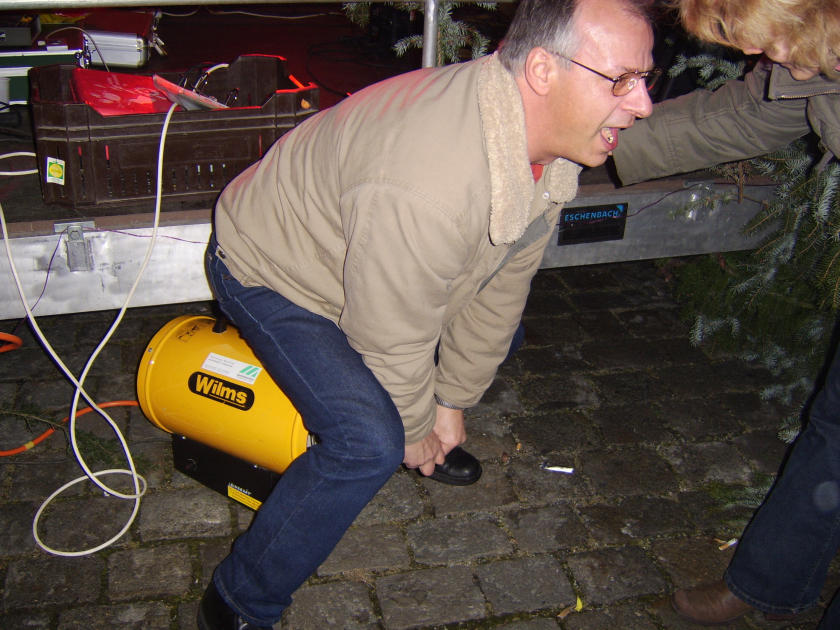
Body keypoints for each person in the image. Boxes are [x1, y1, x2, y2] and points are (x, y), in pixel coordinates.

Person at [198, 0, 657, 627]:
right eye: (621, 79)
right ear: (543, 71)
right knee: (369, 442)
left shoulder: (542, 142)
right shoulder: (427, 180)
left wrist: (451, 403)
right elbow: (390, 334)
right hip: (275, 269)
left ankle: (421, 434)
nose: (643, 105)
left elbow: (502, 279)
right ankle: (238, 598)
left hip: (373, 270)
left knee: (495, 340)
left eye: (645, 77)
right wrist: (415, 429)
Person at [612, 0, 840, 626]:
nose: (755, 53)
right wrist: (600, 136)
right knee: (834, 428)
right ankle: (770, 583)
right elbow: (751, 112)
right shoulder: (817, 55)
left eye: (766, 36)